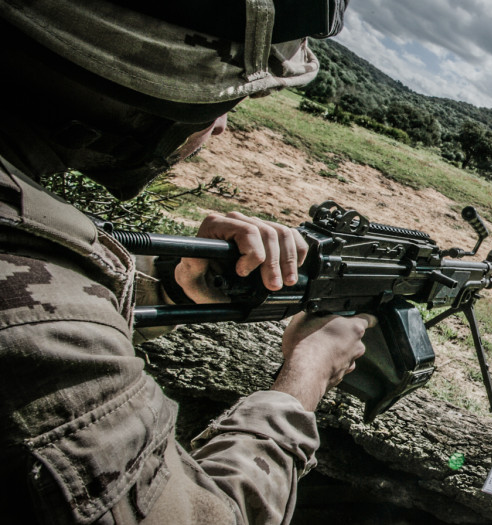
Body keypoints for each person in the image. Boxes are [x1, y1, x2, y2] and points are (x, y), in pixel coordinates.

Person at [0, 1, 374, 523]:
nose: (220, 128)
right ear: (151, 82)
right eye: (227, 104)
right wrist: (306, 377)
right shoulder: (40, 329)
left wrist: (176, 282)